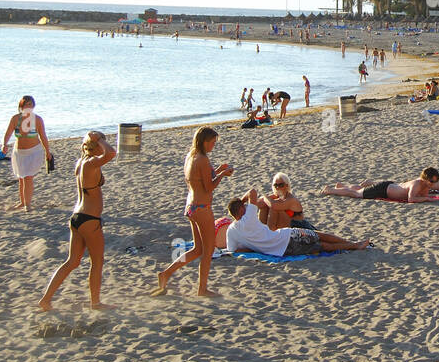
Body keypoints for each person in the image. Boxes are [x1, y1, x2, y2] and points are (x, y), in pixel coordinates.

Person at [38, 131, 116, 311]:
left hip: (76, 218)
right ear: (96, 146)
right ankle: (95, 302)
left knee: (72, 261)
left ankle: (46, 299)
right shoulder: (90, 163)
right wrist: (99, 139)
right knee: (97, 261)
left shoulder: (80, 163)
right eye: (101, 143)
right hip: (89, 219)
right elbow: (111, 153)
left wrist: (95, 141)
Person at [154, 126, 234, 298]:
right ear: (204, 141)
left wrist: (219, 170)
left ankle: (166, 273)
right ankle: (202, 289)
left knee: (198, 249)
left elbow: (200, 179)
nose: (213, 146)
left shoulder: (191, 156)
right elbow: (209, 186)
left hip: (191, 206)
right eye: (212, 142)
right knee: (208, 250)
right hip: (202, 208)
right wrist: (222, 175)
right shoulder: (202, 159)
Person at [224, 189, 369, 256]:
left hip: (282, 251)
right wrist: (242, 200)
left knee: (321, 246)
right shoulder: (248, 217)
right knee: (319, 236)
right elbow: (252, 192)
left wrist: (254, 248)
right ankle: (354, 245)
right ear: (241, 209)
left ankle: (353, 245)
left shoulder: (232, 230)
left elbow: (233, 250)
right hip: (286, 237)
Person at [1, 95, 52, 211]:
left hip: (34, 151)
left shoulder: (37, 119)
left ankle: (27, 204)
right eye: (26, 104)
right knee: (21, 178)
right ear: (21, 106)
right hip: (19, 152)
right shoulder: (15, 119)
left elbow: (43, 136)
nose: (28, 107)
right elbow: (8, 133)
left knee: (28, 177)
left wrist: (47, 151)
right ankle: (22, 201)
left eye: (30, 104)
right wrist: (4, 144)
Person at [321, 168, 439, 202]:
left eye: (435, 182)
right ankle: (330, 190)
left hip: (390, 186)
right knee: (357, 194)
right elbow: (411, 198)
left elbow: (421, 195)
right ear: (425, 179)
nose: (433, 184)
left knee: (361, 189)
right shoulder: (417, 183)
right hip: (384, 189)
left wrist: (427, 194)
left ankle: (341, 186)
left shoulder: (426, 185)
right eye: (431, 182)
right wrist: (426, 198)